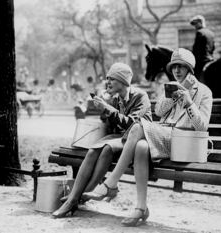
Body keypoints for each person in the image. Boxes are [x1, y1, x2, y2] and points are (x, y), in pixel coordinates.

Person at [88, 48, 213, 226]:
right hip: (165, 137)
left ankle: (111, 182)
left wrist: (189, 102)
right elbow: (159, 112)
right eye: (174, 67)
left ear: (190, 69)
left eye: (181, 67)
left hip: (185, 142)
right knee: (140, 147)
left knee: (138, 126)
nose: (177, 70)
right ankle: (141, 207)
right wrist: (171, 97)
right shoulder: (171, 87)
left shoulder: (203, 91)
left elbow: (202, 127)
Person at [51, 62, 152, 218]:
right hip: (120, 139)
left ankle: (76, 198)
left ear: (123, 81)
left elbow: (132, 125)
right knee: (93, 151)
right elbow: (111, 127)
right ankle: (76, 197)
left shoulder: (140, 96)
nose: (108, 82)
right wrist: (104, 110)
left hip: (138, 139)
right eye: (108, 79)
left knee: (106, 148)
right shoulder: (116, 99)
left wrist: (108, 109)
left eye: (112, 79)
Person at [190, 15, 215, 80]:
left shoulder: (200, 32)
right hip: (211, 59)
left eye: (196, 24)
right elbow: (213, 48)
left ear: (201, 23)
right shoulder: (211, 33)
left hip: (201, 61)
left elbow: (196, 49)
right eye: (194, 24)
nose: (195, 26)